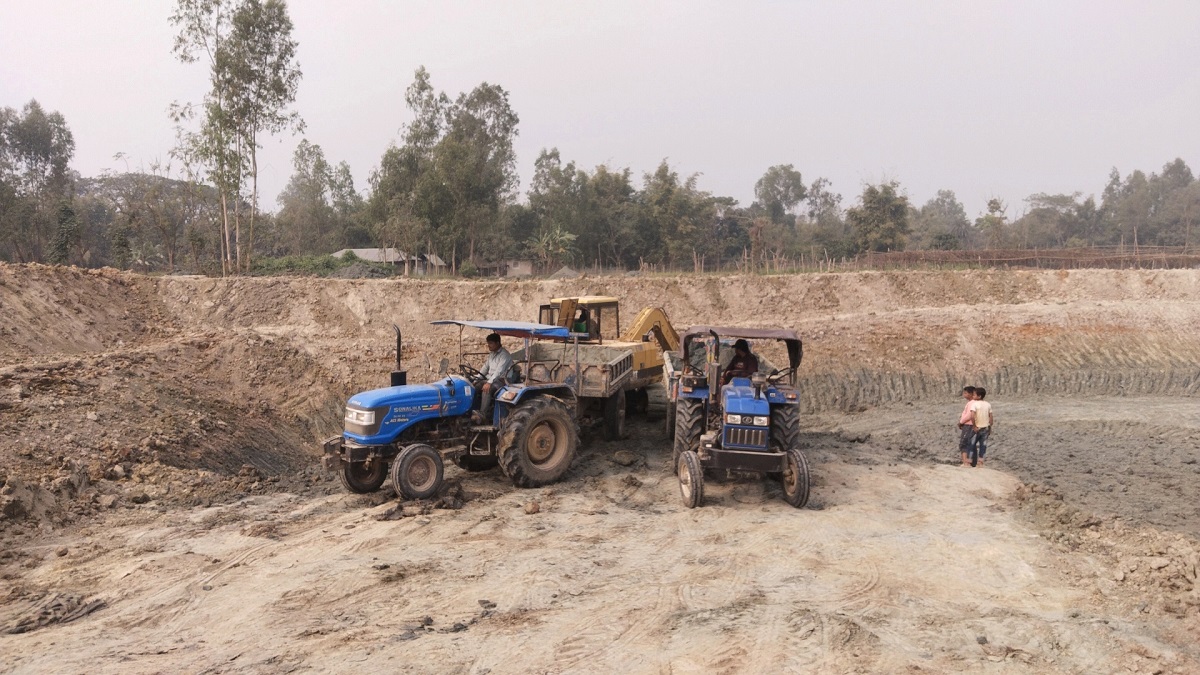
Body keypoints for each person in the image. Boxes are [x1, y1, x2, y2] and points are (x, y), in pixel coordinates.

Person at [474, 333, 513, 422]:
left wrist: (489, 382)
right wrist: (476, 379)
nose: (488, 346)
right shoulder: (492, 354)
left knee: (487, 388)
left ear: (498, 343)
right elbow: (485, 368)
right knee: (475, 386)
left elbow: (499, 371)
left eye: (491, 343)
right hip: (491, 378)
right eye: (488, 343)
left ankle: (482, 414)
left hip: (503, 379)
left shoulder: (505, 355)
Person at [970, 387, 994, 467]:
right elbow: (991, 418)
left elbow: (972, 416)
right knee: (983, 446)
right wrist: (990, 427)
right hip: (986, 427)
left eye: (974, 395)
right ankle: (980, 462)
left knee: (971, 444)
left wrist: (974, 426)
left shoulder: (974, 404)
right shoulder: (988, 404)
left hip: (977, 427)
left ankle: (969, 461)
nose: (973, 396)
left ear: (979, 396)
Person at [958, 386, 977, 467]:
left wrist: (961, 422)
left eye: (965, 393)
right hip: (972, 425)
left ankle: (966, 462)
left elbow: (969, 415)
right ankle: (972, 463)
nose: (964, 395)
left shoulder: (972, 403)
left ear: (971, 394)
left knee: (964, 443)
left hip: (969, 425)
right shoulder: (974, 403)